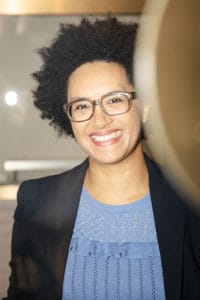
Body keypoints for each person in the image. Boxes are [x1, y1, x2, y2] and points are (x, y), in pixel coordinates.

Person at [3, 17, 200, 300]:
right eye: (82, 106)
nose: (100, 119)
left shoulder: (190, 199)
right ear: (68, 118)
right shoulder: (37, 200)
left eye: (115, 99)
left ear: (142, 107)